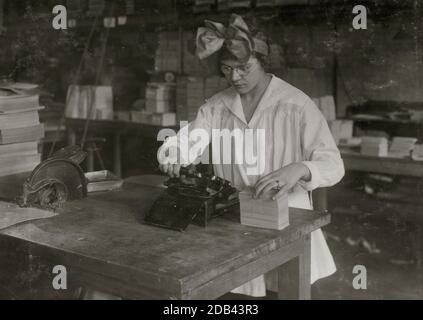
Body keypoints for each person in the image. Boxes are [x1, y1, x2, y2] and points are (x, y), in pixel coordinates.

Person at [158, 14, 345, 297]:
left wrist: (299, 168)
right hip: (235, 221)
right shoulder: (217, 106)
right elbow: (188, 142)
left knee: (287, 288)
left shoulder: (295, 104)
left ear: (263, 61)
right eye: (227, 68)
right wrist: (174, 152)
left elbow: (332, 164)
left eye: (244, 68)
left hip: (287, 220)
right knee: (240, 294)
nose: (235, 77)